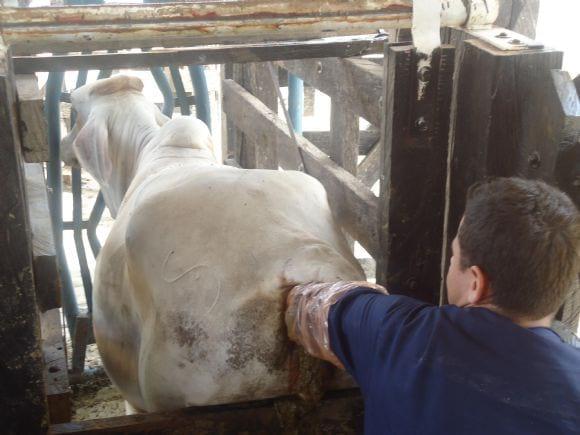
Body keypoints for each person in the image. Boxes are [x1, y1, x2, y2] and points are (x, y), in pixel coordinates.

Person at [285, 177, 580, 434]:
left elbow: (308, 306)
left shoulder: (400, 335)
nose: (451, 263)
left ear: (476, 284)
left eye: (453, 257)